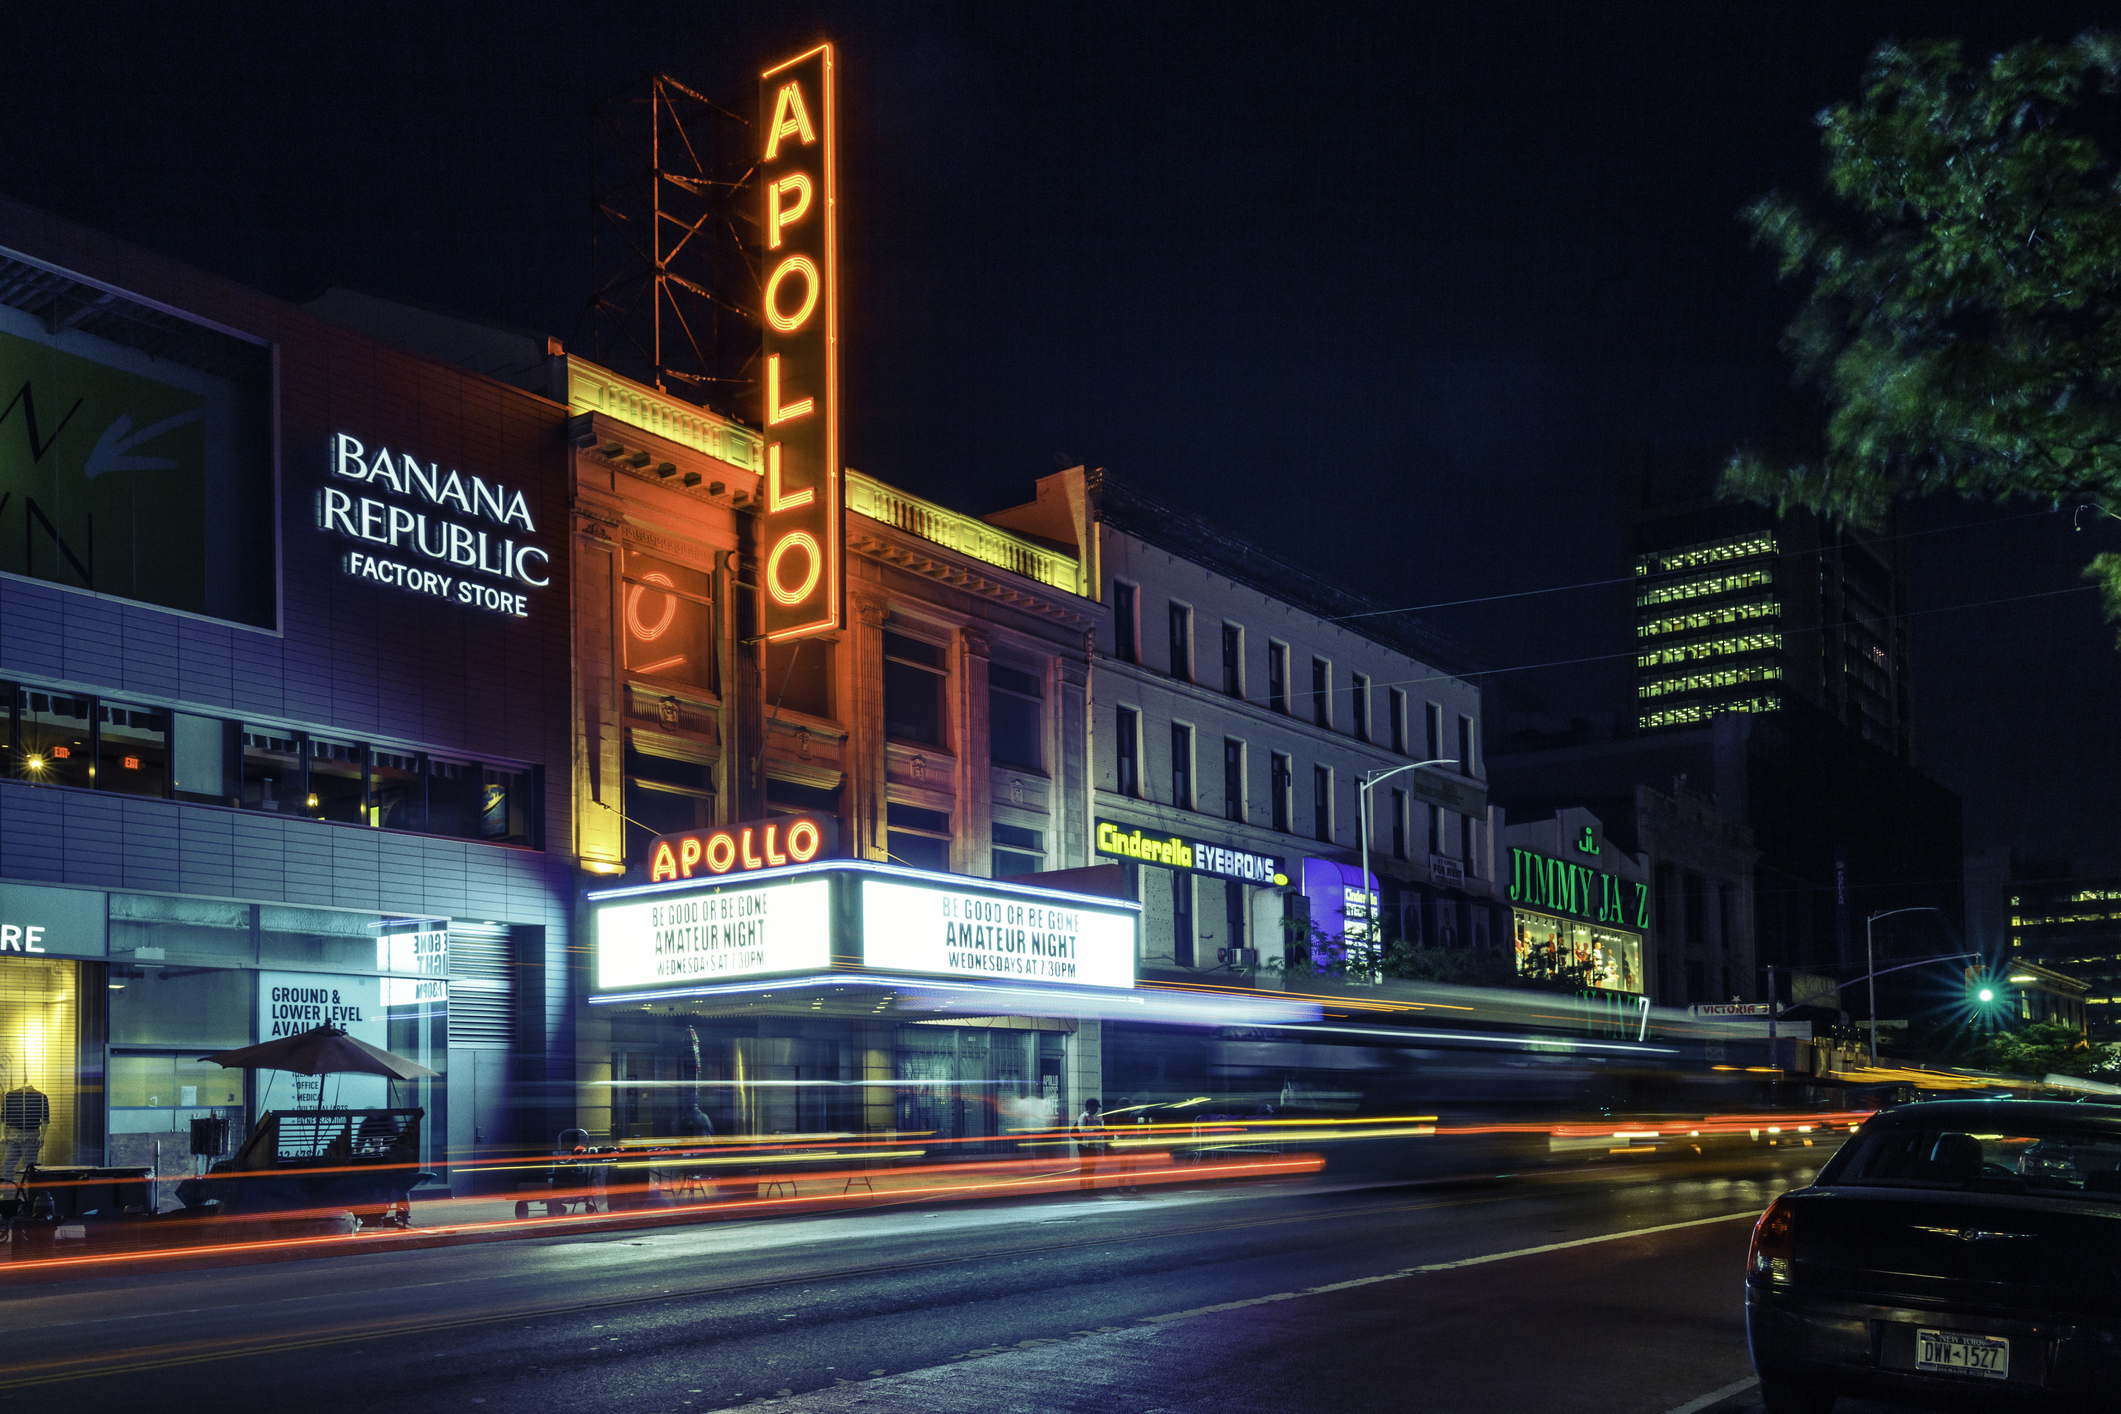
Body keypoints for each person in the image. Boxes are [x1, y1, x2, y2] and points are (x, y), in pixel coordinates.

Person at [1073, 1097, 1107, 1193]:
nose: (1096, 1110)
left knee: (1091, 1168)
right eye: (1095, 1107)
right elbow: (1082, 1131)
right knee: (1085, 1168)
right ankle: (1084, 1189)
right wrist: (1096, 1130)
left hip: (1091, 1145)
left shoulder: (1092, 1117)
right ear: (1090, 1107)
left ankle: (1091, 1189)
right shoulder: (1083, 1117)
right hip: (1084, 1146)